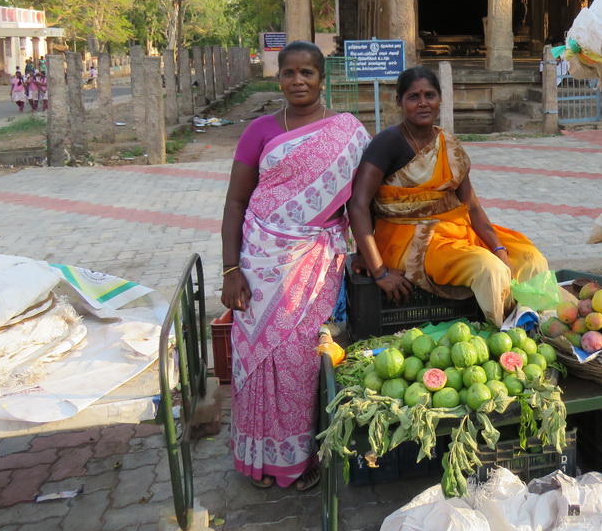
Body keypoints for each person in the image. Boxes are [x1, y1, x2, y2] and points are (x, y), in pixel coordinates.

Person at [220, 40, 370, 491]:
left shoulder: (348, 132)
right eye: (290, 73)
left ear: (323, 79)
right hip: (261, 262)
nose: (298, 81)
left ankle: (299, 458)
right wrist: (231, 270)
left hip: (317, 264)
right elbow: (236, 200)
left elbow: (364, 201)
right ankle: (256, 460)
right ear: (278, 77)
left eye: (308, 72)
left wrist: (367, 252)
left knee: (303, 360)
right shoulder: (260, 131)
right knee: (255, 360)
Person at [348, 66, 549, 327]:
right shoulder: (388, 142)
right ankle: (505, 334)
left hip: (453, 232)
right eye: (413, 97)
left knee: (530, 258)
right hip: (406, 241)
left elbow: (471, 205)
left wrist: (498, 247)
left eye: (429, 95)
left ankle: (537, 327)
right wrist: (379, 271)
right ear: (399, 102)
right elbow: (358, 204)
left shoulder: (448, 143)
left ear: (440, 98)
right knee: (489, 269)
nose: (423, 103)